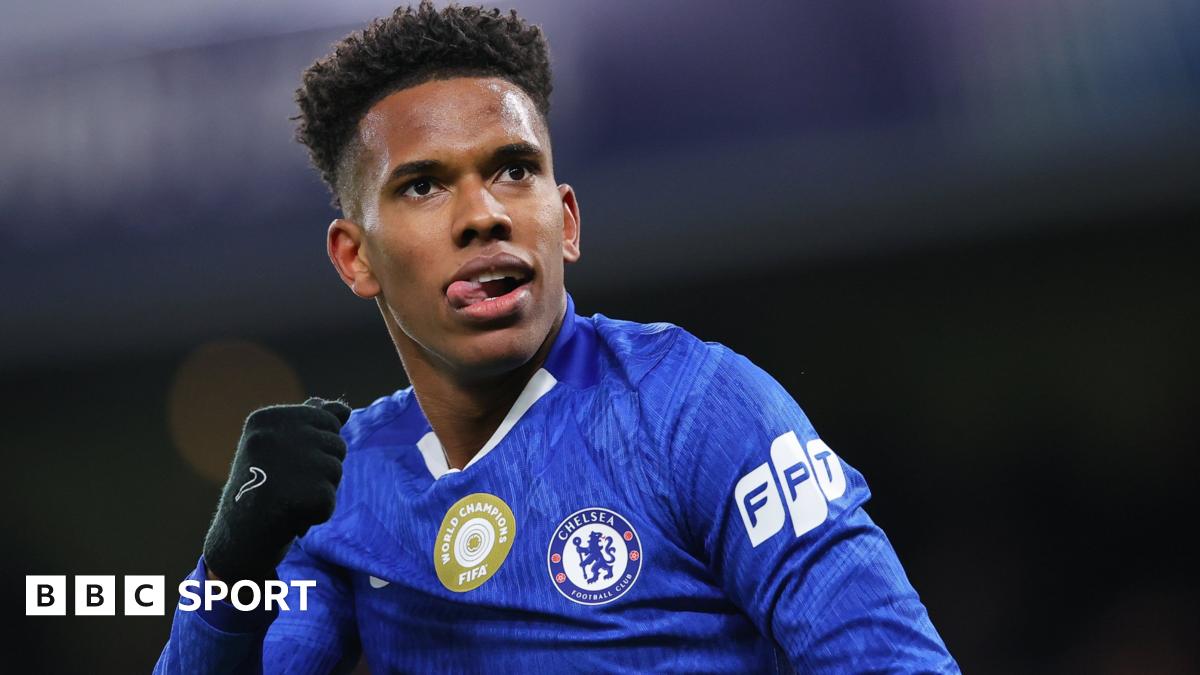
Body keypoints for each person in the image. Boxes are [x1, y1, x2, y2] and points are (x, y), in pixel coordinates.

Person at [155, 2, 957, 672]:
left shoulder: (697, 408)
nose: (484, 214)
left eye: (513, 169)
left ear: (565, 220)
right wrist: (229, 570)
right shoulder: (347, 493)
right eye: (424, 185)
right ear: (355, 257)